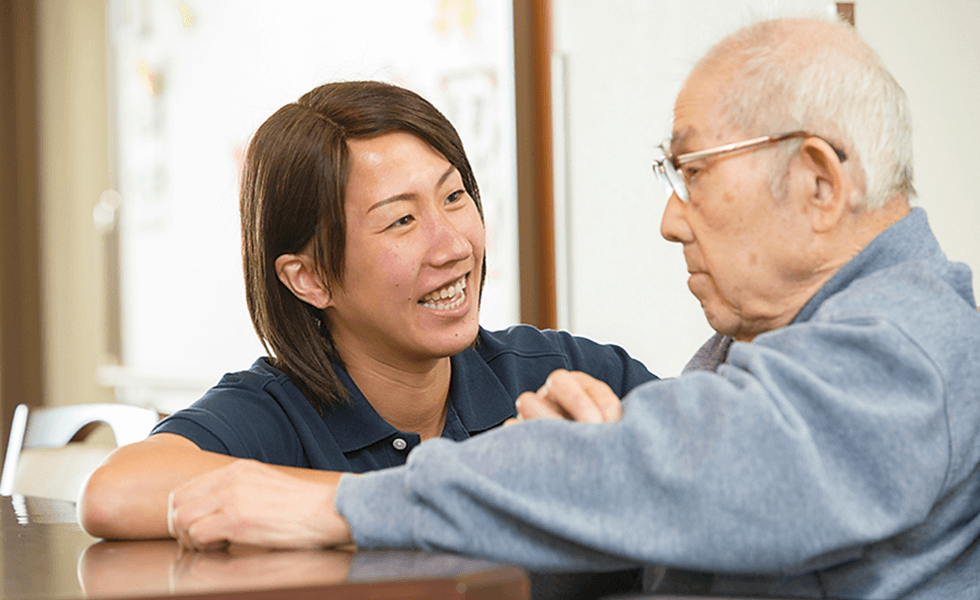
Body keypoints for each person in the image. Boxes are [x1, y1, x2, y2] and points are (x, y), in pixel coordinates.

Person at [166, 16, 980, 599]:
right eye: (402, 219)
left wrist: (338, 505)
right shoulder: (783, 340)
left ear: (818, 182)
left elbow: (674, 475)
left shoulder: (907, 342)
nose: (669, 219)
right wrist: (574, 461)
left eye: (691, 171)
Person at [78, 81, 657, 548]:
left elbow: (733, 448)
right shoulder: (280, 410)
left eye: (455, 197)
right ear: (310, 278)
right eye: (401, 220)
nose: (453, 245)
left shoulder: (557, 371)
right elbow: (114, 493)